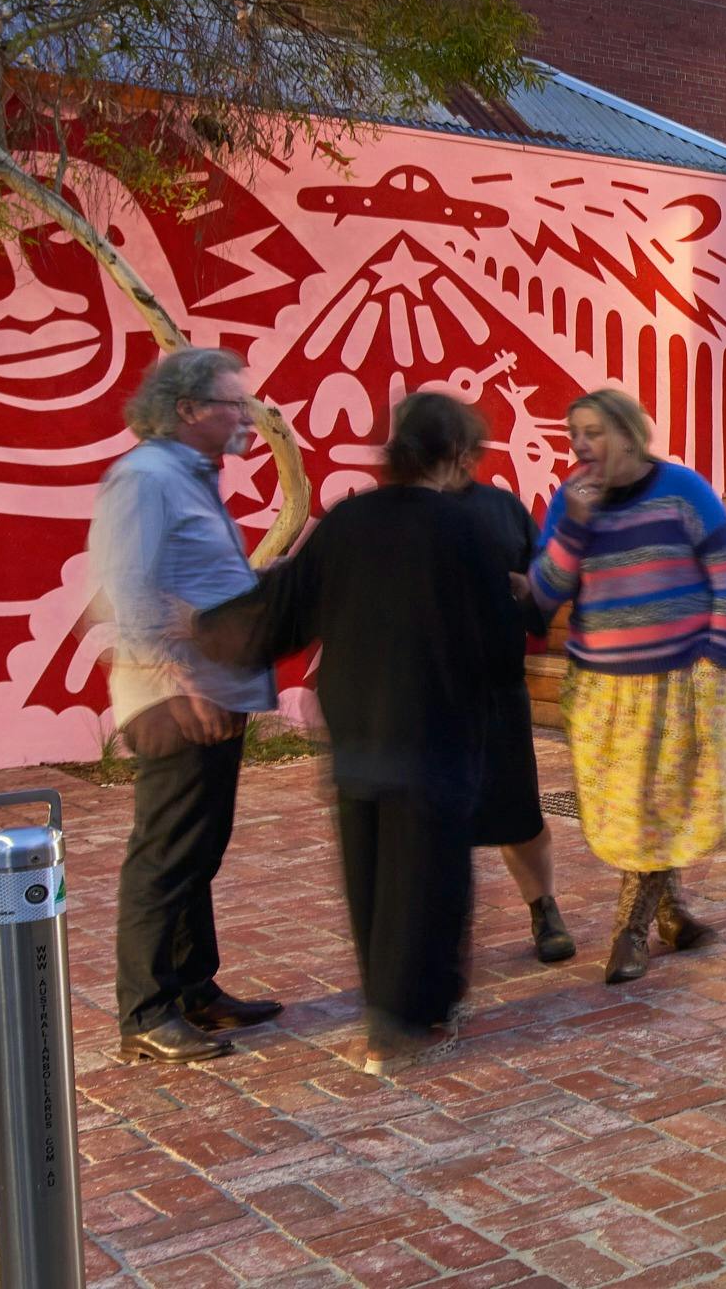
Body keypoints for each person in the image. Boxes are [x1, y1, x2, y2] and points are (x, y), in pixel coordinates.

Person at [199, 392, 513, 1071]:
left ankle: (390, 1011)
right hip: (435, 730)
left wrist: (202, 631)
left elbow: (281, 613)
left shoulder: (349, 521)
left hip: (357, 727)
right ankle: (404, 1022)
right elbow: (498, 643)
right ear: (456, 456)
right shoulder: (465, 532)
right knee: (426, 878)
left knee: (369, 871)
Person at [88, 344, 288, 1064]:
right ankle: (146, 1012)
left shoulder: (187, 478)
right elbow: (130, 589)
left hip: (207, 695)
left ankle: (193, 988)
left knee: (199, 848)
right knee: (166, 853)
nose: (247, 416)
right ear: (188, 409)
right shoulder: (144, 479)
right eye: (235, 403)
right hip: (174, 700)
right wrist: (182, 683)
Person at [530, 386, 726, 983]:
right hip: (602, 686)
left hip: (677, 679)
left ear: (629, 433)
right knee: (628, 808)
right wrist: (574, 526)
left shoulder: (684, 490)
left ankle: (629, 933)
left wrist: (716, 655)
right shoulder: (571, 500)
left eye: (593, 431)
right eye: (573, 432)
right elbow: (548, 589)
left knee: (657, 802)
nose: (580, 443)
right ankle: (673, 914)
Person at [451, 469, 577, 967]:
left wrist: (528, 589)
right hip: (424, 692)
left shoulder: (501, 508)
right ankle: (441, 926)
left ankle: (544, 907)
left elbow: (540, 583)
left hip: (498, 683)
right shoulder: (398, 515)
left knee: (517, 808)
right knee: (427, 815)